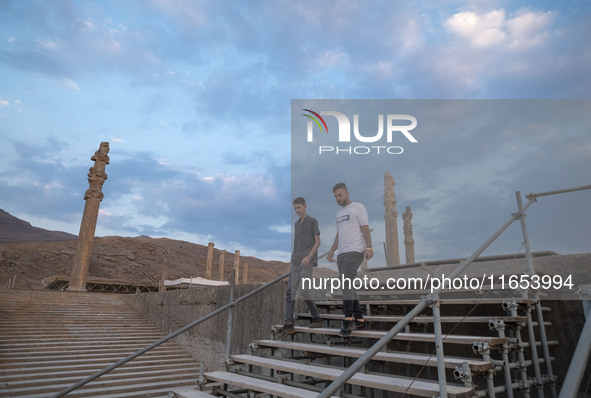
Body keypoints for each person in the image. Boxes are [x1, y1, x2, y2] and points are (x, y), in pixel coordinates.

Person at [327, 182, 373, 337]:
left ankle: (348, 320)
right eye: (335, 197)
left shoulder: (358, 207)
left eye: (340, 195)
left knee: (346, 282)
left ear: (346, 193)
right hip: (342, 253)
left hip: (355, 250)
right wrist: (332, 249)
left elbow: (365, 227)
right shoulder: (338, 214)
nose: (338, 198)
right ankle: (360, 320)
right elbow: (339, 234)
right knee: (349, 285)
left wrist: (369, 247)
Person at [276, 197, 323, 340]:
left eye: (299, 208)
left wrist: (309, 256)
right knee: (290, 291)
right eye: (295, 208)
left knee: (304, 290)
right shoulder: (297, 224)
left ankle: (316, 318)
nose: (297, 210)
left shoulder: (313, 221)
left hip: (307, 261)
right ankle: (288, 324)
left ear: (305, 207)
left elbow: (318, 242)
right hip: (295, 261)